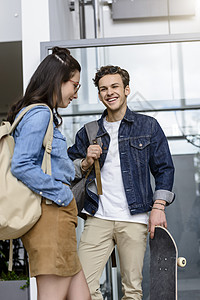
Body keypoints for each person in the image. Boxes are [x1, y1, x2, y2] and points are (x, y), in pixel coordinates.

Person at [68, 65, 175, 300]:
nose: (109, 92)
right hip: (98, 217)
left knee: (132, 290)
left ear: (126, 90)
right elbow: (66, 169)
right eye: (103, 89)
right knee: (82, 287)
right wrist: (85, 162)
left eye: (115, 86)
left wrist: (158, 208)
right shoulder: (88, 132)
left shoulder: (148, 126)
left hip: (134, 219)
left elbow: (164, 168)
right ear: (99, 95)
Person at [7, 47, 91, 300]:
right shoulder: (40, 113)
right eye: (74, 85)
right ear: (58, 80)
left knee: (80, 297)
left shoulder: (41, 113)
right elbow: (21, 165)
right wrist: (62, 194)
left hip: (57, 217)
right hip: (52, 215)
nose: (76, 94)